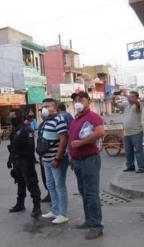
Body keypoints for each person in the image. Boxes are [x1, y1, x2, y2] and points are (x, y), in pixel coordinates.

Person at [69, 92, 105, 240]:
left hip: (89, 159)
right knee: (83, 191)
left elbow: (100, 132)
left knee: (91, 193)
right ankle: (89, 220)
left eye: (81, 99)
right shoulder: (76, 119)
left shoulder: (93, 117)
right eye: (76, 100)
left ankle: (97, 226)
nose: (78, 102)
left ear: (88, 101)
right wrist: (72, 157)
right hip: (78, 161)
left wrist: (81, 143)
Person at [38, 99, 69, 224]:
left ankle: (63, 213)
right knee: (50, 185)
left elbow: (63, 141)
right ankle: (55, 210)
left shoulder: (59, 120)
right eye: (43, 106)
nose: (44, 108)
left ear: (54, 107)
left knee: (59, 186)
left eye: (47, 106)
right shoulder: (46, 122)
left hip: (56, 160)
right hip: (46, 159)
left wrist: (57, 158)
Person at [7, 109, 42, 218]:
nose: (11, 118)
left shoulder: (27, 129)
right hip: (16, 161)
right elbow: (12, 146)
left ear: (18, 116)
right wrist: (10, 160)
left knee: (31, 183)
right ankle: (20, 204)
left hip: (26, 161)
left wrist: (27, 162)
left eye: (12, 116)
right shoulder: (14, 130)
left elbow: (30, 147)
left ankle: (37, 207)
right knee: (20, 182)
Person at [122, 91, 144, 173]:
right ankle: (130, 166)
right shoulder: (127, 107)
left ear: (136, 97)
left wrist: (126, 95)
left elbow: (136, 103)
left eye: (132, 96)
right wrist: (123, 131)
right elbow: (124, 119)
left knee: (138, 151)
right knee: (128, 151)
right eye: (129, 96)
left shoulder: (138, 105)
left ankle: (141, 167)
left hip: (136, 132)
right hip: (127, 133)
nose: (130, 98)